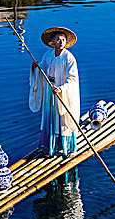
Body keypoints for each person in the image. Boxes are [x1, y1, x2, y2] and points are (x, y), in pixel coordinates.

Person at [29, 27, 80, 158]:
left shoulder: (69, 58)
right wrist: (36, 67)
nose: (61, 42)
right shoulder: (48, 55)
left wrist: (62, 88)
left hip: (61, 91)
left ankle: (69, 148)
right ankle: (50, 147)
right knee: (50, 117)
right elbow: (44, 69)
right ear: (53, 41)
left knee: (63, 118)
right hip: (49, 90)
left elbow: (72, 78)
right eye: (58, 39)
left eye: (63, 40)